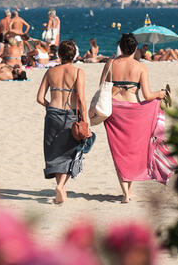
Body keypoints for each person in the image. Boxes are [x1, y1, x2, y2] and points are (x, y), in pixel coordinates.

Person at [99, 33, 169, 203]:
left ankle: (125, 192)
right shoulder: (140, 67)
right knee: (132, 151)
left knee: (119, 152)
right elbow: (146, 95)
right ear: (135, 48)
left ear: (120, 47)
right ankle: (127, 192)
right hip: (133, 111)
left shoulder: (111, 63)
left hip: (114, 110)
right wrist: (160, 94)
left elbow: (102, 87)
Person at [36, 40, 93, 204]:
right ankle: (61, 186)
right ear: (74, 55)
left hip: (53, 113)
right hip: (70, 115)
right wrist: (85, 120)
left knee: (54, 152)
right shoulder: (78, 72)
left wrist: (51, 107)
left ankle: (60, 187)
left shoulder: (50, 72)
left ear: (59, 54)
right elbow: (81, 98)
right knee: (71, 152)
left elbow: (40, 98)